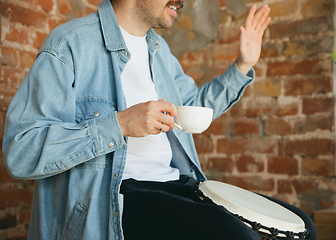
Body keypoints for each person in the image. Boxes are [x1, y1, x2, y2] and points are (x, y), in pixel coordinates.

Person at [2, 0, 316, 239]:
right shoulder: (70, 44)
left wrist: (242, 66)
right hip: (117, 197)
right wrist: (120, 124)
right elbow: (21, 151)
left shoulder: (159, 49)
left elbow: (192, 109)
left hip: (175, 184)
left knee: (302, 226)